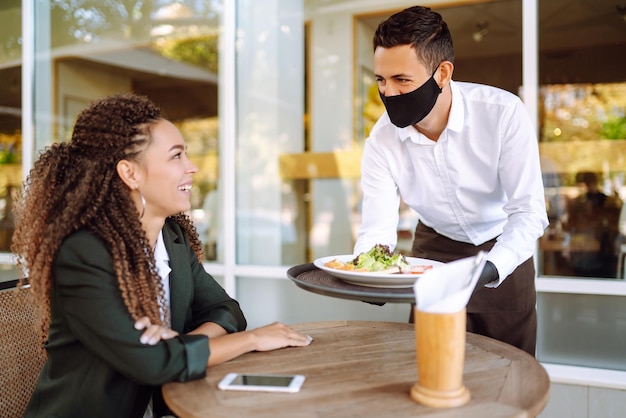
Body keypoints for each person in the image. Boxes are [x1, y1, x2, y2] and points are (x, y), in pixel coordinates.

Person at [12, 93, 312, 418]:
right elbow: (152, 364)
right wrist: (251, 339)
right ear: (130, 174)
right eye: (176, 156)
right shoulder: (82, 254)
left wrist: (181, 343)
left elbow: (226, 310)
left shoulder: (172, 239)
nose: (192, 167)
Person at [354, 6, 549, 356]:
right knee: (430, 362)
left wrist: (490, 268)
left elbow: (529, 212)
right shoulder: (381, 140)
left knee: (508, 371)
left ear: (442, 73)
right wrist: (370, 273)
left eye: (402, 80)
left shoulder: (503, 113)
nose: (389, 93)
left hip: (502, 246)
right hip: (433, 246)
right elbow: (376, 227)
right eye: (381, 80)